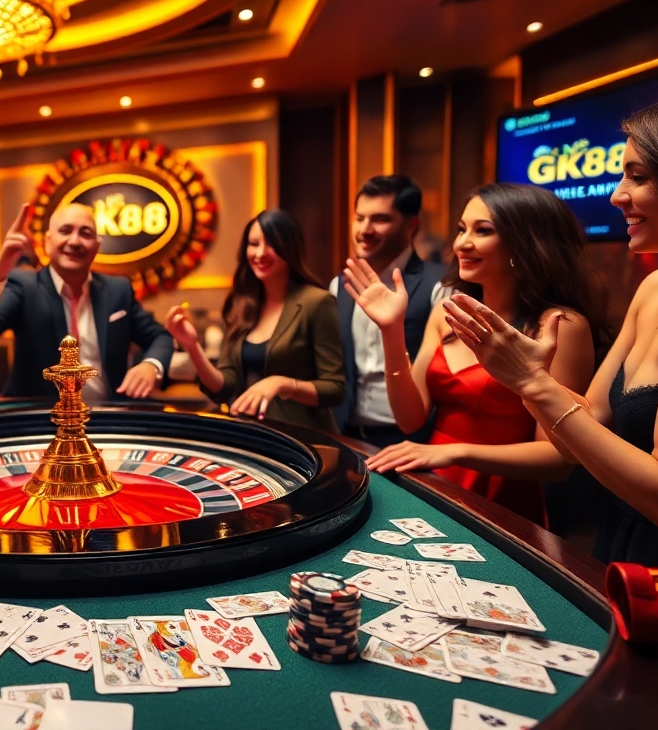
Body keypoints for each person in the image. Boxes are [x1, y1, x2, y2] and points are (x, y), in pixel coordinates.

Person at [443, 82, 658, 567]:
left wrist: (532, 384)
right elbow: (583, 430)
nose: (616, 196)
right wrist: (532, 382)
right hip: (617, 542)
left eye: (638, 177)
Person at [344, 183, 602, 526]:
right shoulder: (446, 312)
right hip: (434, 483)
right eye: (462, 229)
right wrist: (391, 330)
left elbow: (559, 458)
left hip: (503, 500)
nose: (462, 243)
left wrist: (455, 452)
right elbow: (410, 419)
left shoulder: (559, 325)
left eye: (483, 231)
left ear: (523, 242)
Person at [0, 203, 173, 402]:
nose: (74, 241)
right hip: (39, 421)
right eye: (65, 231)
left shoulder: (118, 290)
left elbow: (160, 337)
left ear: (97, 245)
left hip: (108, 418)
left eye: (85, 233)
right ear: (47, 241)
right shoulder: (24, 286)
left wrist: (151, 365)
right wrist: (0, 271)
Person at [168, 209, 345, 432]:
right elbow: (224, 387)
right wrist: (192, 346)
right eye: (253, 244)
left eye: (271, 244)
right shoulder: (240, 303)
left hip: (303, 440)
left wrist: (281, 384)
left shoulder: (317, 303)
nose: (260, 253)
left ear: (289, 248)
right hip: (251, 435)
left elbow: (335, 389)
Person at [329, 175, 445, 446]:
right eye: (359, 218)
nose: (364, 229)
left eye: (380, 219)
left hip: (412, 440)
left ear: (411, 226)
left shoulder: (439, 286)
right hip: (348, 436)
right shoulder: (340, 285)